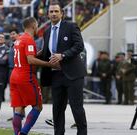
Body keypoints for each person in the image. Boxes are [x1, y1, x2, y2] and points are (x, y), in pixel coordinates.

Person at [40, 1, 87, 135]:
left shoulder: (71, 26)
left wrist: (63, 55)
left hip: (73, 74)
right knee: (57, 109)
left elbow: (79, 46)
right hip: (56, 75)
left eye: (56, 11)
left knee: (76, 108)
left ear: (62, 13)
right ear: (48, 14)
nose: (54, 14)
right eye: (51, 12)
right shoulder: (47, 31)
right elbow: (46, 52)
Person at [10, 17, 55, 135]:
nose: (38, 28)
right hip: (26, 76)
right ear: (33, 26)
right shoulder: (29, 40)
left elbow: (27, 56)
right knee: (37, 107)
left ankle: (17, 133)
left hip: (15, 75)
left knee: (19, 108)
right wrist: (48, 64)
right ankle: (23, 133)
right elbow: (30, 60)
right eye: (37, 25)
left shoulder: (19, 39)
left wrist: (41, 52)